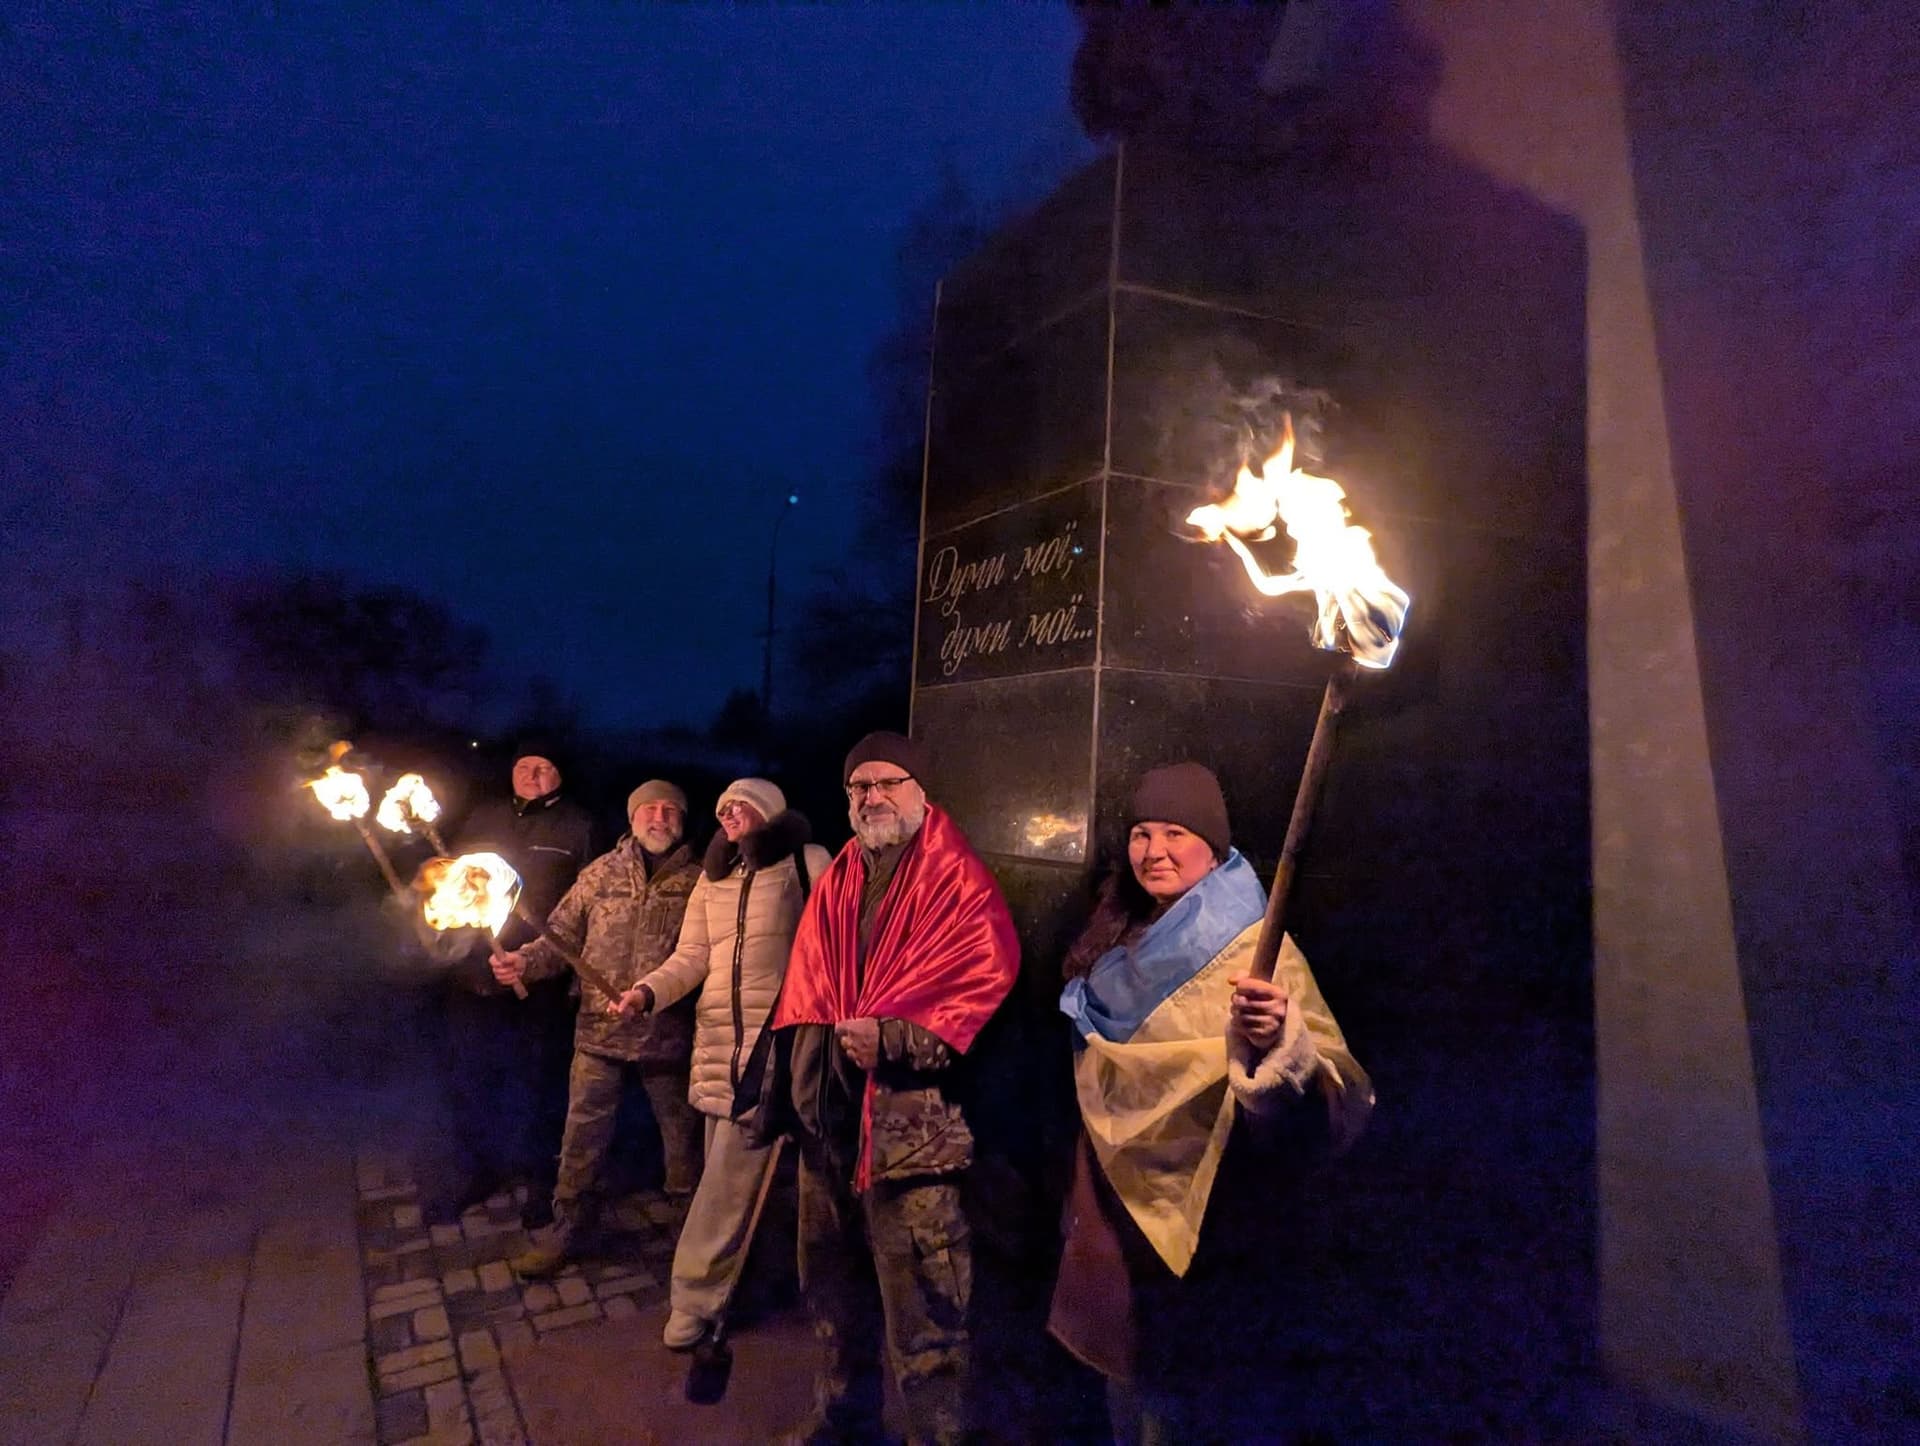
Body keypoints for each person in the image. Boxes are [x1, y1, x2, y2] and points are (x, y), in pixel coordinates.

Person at [1048, 762, 1374, 1442]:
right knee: (1127, 1395)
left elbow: (1334, 1092)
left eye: (1175, 832)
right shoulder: (1119, 938)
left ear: (1215, 847)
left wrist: (1278, 1046)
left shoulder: (1258, 948)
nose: (1154, 850)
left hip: (1209, 1225)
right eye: (1141, 833)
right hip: (1116, 1217)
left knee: (1187, 1408)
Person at [770, 731, 1019, 1446]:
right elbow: (810, 989)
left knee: (927, 1325)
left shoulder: (957, 882)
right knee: (836, 1303)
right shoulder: (843, 873)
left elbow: (982, 992)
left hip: (911, 1143)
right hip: (828, 1136)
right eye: (859, 787)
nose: (872, 798)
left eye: (887, 783)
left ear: (920, 791)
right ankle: (844, 1423)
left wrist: (897, 1038)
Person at [614, 777, 832, 1349]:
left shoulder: (805, 863)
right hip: (716, 1047)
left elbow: (836, 942)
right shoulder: (716, 878)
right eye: (723, 807)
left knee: (724, 1188)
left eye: (742, 805)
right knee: (729, 1180)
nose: (729, 814)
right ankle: (759, 1288)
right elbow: (691, 956)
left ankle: (692, 1300)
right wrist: (647, 992)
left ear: (769, 812)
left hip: (776, 1046)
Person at [489, 779, 704, 1276]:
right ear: (631, 818)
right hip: (598, 1035)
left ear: (682, 820)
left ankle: (693, 1238)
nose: (659, 818)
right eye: (648, 809)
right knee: (581, 1140)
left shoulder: (700, 881)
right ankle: (567, 1228)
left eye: (670, 810)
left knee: (684, 1144)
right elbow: (558, 938)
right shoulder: (598, 873)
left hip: (666, 1035)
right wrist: (523, 962)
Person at [426, 741, 594, 1226]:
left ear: (560, 775)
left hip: (538, 981)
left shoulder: (578, 826)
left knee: (539, 1083)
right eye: (524, 766)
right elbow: (452, 883)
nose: (533, 775)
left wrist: (550, 966)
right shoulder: (484, 818)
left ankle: (540, 1181)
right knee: (473, 1076)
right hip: (477, 975)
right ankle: (478, 1171)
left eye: (544, 767)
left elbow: (585, 907)